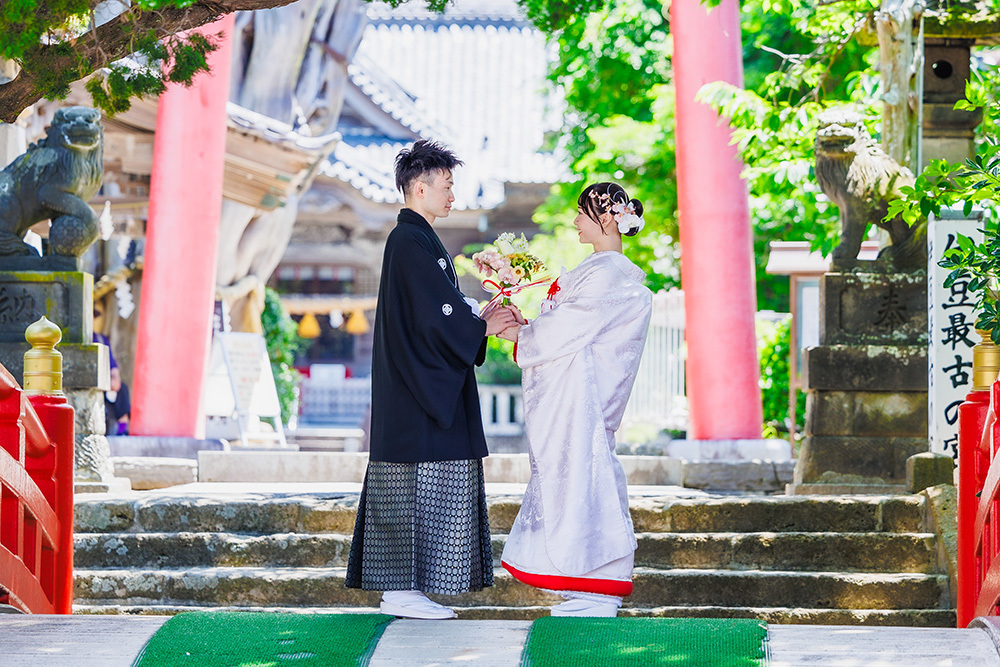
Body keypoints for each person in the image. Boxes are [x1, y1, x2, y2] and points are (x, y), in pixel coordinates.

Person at [345, 140, 518, 619]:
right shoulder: (408, 241)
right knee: (411, 483)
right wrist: (482, 325)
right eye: (446, 187)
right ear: (419, 188)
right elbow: (432, 317)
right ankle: (400, 591)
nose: (453, 197)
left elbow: (441, 312)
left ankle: (406, 589)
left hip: (418, 384)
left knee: (419, 482)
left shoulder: (418, 240)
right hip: (415, 389)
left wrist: (480, 317)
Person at [497, 182, 652, 617]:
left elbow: (570, 326)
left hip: (583, 396)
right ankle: (586, 585)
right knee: (576, 481)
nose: (575, 221)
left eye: (582, 213)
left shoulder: (608, 273)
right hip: (576, 395)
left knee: (587, 480)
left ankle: (597, 586)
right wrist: (529, 329)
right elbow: (568, 325)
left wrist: (521, 334)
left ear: (606, 217)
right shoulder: (602, 269)